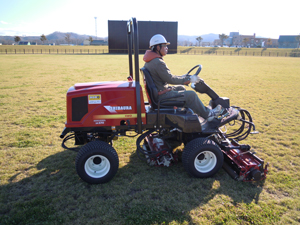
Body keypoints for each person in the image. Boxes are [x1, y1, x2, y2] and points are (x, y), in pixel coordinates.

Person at [143, 34, 222, 121]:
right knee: (191, 95)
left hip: (159, 93)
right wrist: (189, 79)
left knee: (181, 88)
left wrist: (184, 77)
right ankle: (208, 115)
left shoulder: (150, 61)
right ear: (158, 47)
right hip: (161, 97)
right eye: (164, 46)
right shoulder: (157, 62)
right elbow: (170, 79)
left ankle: (188, 115)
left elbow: (167, 77)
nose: (166, 48)